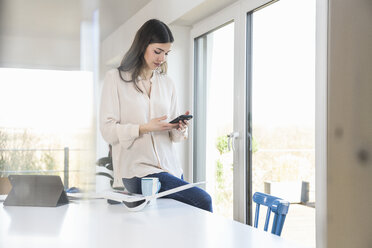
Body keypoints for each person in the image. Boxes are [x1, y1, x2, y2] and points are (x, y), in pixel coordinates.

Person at [99, 19, 212, 212]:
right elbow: (107, 130)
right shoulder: (115, 79)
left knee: (183, 217)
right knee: (203, 200)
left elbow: (174, 137)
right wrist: (144, 127)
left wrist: (179, 127)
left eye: (166, 53)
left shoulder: (167, 83)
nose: (162, 58)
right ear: (143, 46)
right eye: (157, 51)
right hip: (138, 171)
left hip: (171, 169)